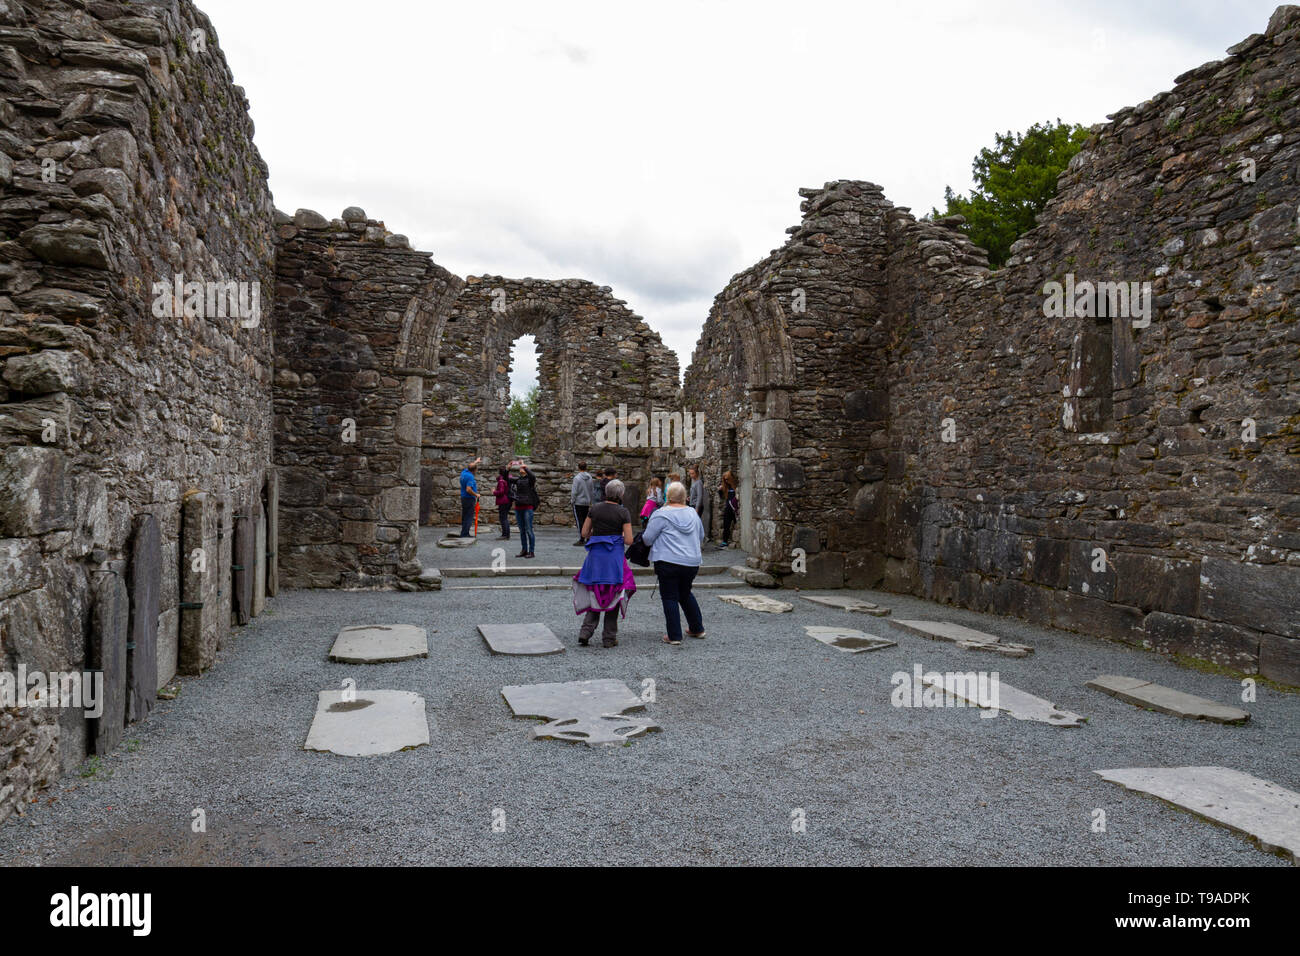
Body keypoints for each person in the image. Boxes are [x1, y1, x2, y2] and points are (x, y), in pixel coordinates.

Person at [573, 479, 636, 648]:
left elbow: (585, 532)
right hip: (613, 558)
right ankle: (609, 638)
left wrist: (598, 535)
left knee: (594, 591)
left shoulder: (595, 509)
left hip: (595, 556)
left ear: (605, 492)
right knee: (614, 594)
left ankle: (585, 631)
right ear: (621, 494)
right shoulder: (623, 512)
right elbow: (629, 540)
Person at [643, 481, 705, 646]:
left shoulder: (661, 514)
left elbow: (647, 539)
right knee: (685, 593)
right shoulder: (693, 514)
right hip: (691, 561)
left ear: (668, 496)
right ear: (684, 497)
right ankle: (697, 628)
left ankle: (674, 635)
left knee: (669, 596)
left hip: (668, 560)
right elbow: (701, 536)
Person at [512, 461, 538, 558]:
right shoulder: (518, 479)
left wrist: (525, 467)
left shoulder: (530, 480)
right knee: (522, 530)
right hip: (518, 507)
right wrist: (507, 469)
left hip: (528, 507)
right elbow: (506, 478)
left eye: (523, 468)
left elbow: (533, 476)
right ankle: (524, 550)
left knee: (529, 530)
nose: (521, 468)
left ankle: (531, 551)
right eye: (520, 468)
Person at [570, 461, 595, 546]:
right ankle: (588, 538)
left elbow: (574, 491)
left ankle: (581, 538)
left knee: (579, 521)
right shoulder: (590, 477)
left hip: (578, 502)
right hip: (587, 502)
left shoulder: (577, 478)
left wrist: (572, 501)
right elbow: (592, 490)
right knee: (586, 520)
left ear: (578, 468)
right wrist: (591, 500)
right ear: (586, 467)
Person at [458, 456, 481, 537]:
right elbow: (468, 489)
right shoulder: (470, 477)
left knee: (465, 516)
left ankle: (463, 532)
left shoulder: (464, 472)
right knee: (468, 516)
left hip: (463, 497)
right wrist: (476, 495)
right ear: (474, 470)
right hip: (469, 498)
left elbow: (471, 466)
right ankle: (465, 534)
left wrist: (476, 461)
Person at [717, 470, 739, 549]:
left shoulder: (736, 486)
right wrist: (720, 490)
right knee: (726, 524)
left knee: (736, 523)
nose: (726, 481)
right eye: (725, 479)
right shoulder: (726, 487)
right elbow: (722, 497)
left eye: (727, 479)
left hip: (735, 508)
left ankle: (735, 541)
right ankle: (725, 541)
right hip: (728, 508)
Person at [493, 467, 512, 540]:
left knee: (503, 518)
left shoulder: (501, 481)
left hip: (503, 501)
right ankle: (507, 534)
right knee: (505, 518)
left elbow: (501, 492)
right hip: (508, 500)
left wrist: (494, 491)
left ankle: (505, 535)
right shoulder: (509, 479)